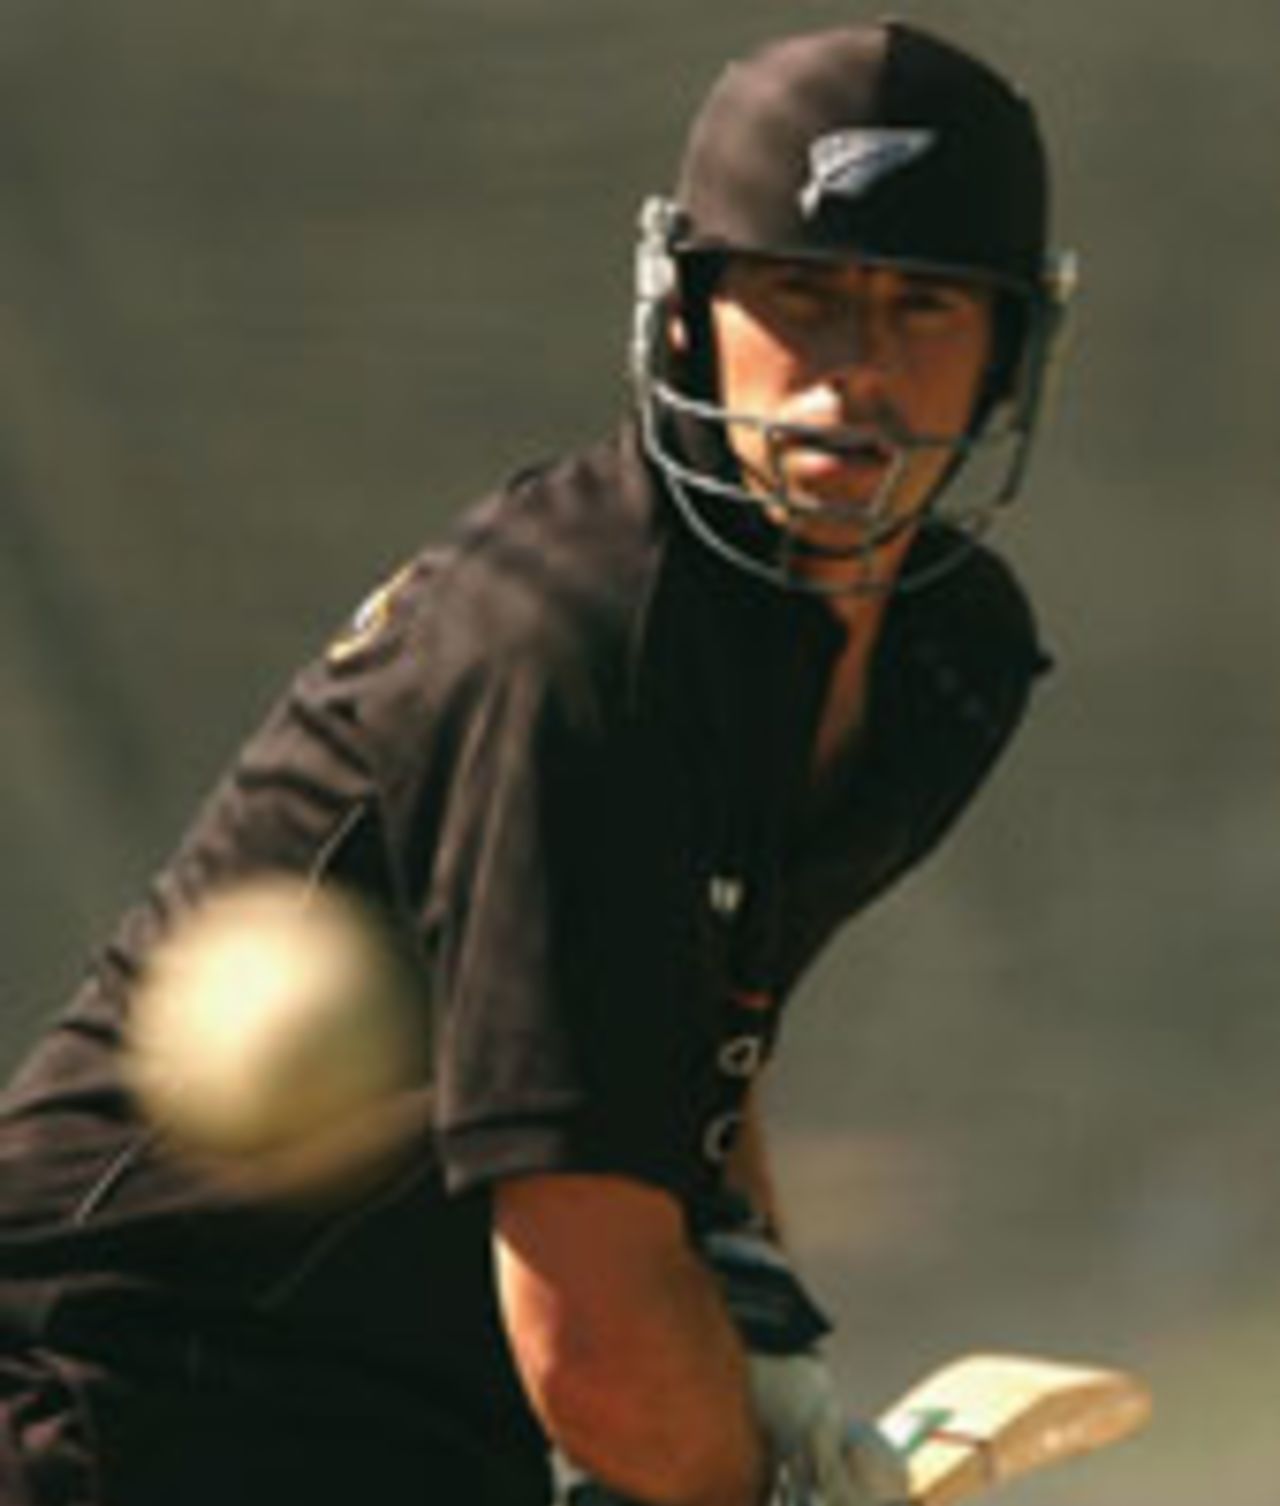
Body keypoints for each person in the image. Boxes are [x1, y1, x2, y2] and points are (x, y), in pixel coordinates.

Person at [0, 19, 1073, 1506]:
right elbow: (591, 1341)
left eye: (923, 307)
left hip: (411, 1421)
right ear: (690, 313)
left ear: (1012, 340)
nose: (851, 373)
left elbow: (674, 1016)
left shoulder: (939, 672)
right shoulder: (579, 642)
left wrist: (765, 1351)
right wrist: (767, 1481)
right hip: (118, 1405)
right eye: (801, 292)